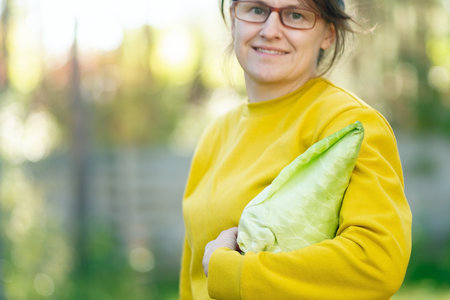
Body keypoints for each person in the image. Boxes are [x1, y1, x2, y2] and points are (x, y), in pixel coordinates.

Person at [180, 0, 412, 299]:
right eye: (257, 9)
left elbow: (376, 262)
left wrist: (236, 274)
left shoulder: (348, 123)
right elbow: (193, 276)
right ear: (233, 17)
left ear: (329, 34)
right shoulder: (216, 133)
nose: (270, 30)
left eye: (295, 15)